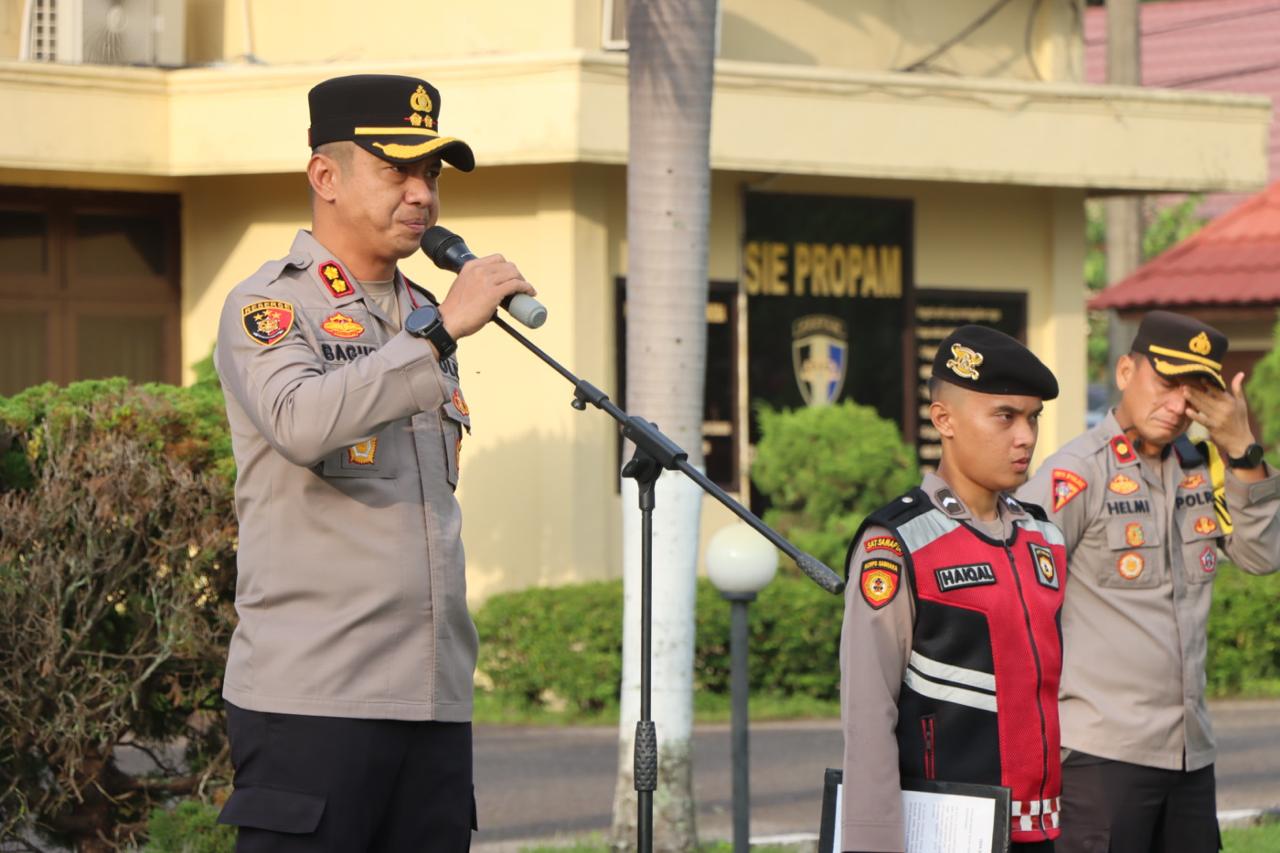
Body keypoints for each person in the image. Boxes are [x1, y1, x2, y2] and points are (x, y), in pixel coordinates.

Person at [212, 74, 536, 852]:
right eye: (397, 169)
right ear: (325, 176)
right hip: (314, 701)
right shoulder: (273, 307)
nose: (422, 194)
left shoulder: (424, 312)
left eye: (432, 174)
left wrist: (433, 329)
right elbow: (301, 421)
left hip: (430, 702)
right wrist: (438, 336)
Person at [1019, 310, 1280, 853]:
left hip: (1190, 753)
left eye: (1196, 392)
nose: (1180, 405)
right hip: (1101, 755)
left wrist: (1242, 448)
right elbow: (1017, 597)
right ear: (1123, 372)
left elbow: (1261, 555)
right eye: (1166, 383)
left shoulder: (1204, 467)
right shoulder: (1076, 474)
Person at [840, 325, 1066, 853]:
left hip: (1042, 832)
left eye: (1033, 417)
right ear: (944, 420)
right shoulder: (898, 543)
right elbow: (869, 716)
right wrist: (872, 844)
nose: (1026, 436)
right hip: (943, 833)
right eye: (1005, 416)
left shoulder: (1044, 539)